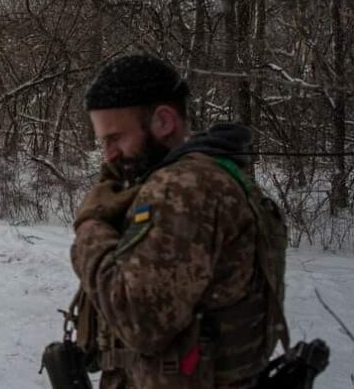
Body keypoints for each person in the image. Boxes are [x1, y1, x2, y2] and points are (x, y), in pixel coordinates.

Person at [70, 54, 285, 388]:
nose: (109, 154)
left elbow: (140, 322)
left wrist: (90, 226)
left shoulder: (183, 189)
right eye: (104, 142)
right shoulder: (217, 172)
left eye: (115, 138)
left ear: (164, 121)